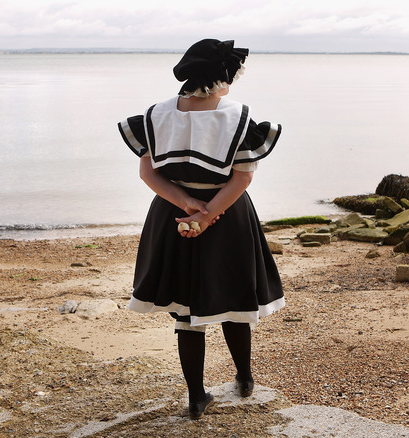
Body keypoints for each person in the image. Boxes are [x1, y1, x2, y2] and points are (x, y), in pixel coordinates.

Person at [117, 38, 285, 420]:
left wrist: (186, 205)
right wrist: (206, 215)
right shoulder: (236, 116)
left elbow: (147, 173)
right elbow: (241, 180)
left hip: (172, 217)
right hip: (226, 217)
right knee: (234, 301)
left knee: (186, 310)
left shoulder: (156, 114)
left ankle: (196, 397)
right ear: (223, 75)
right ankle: (244, 379)